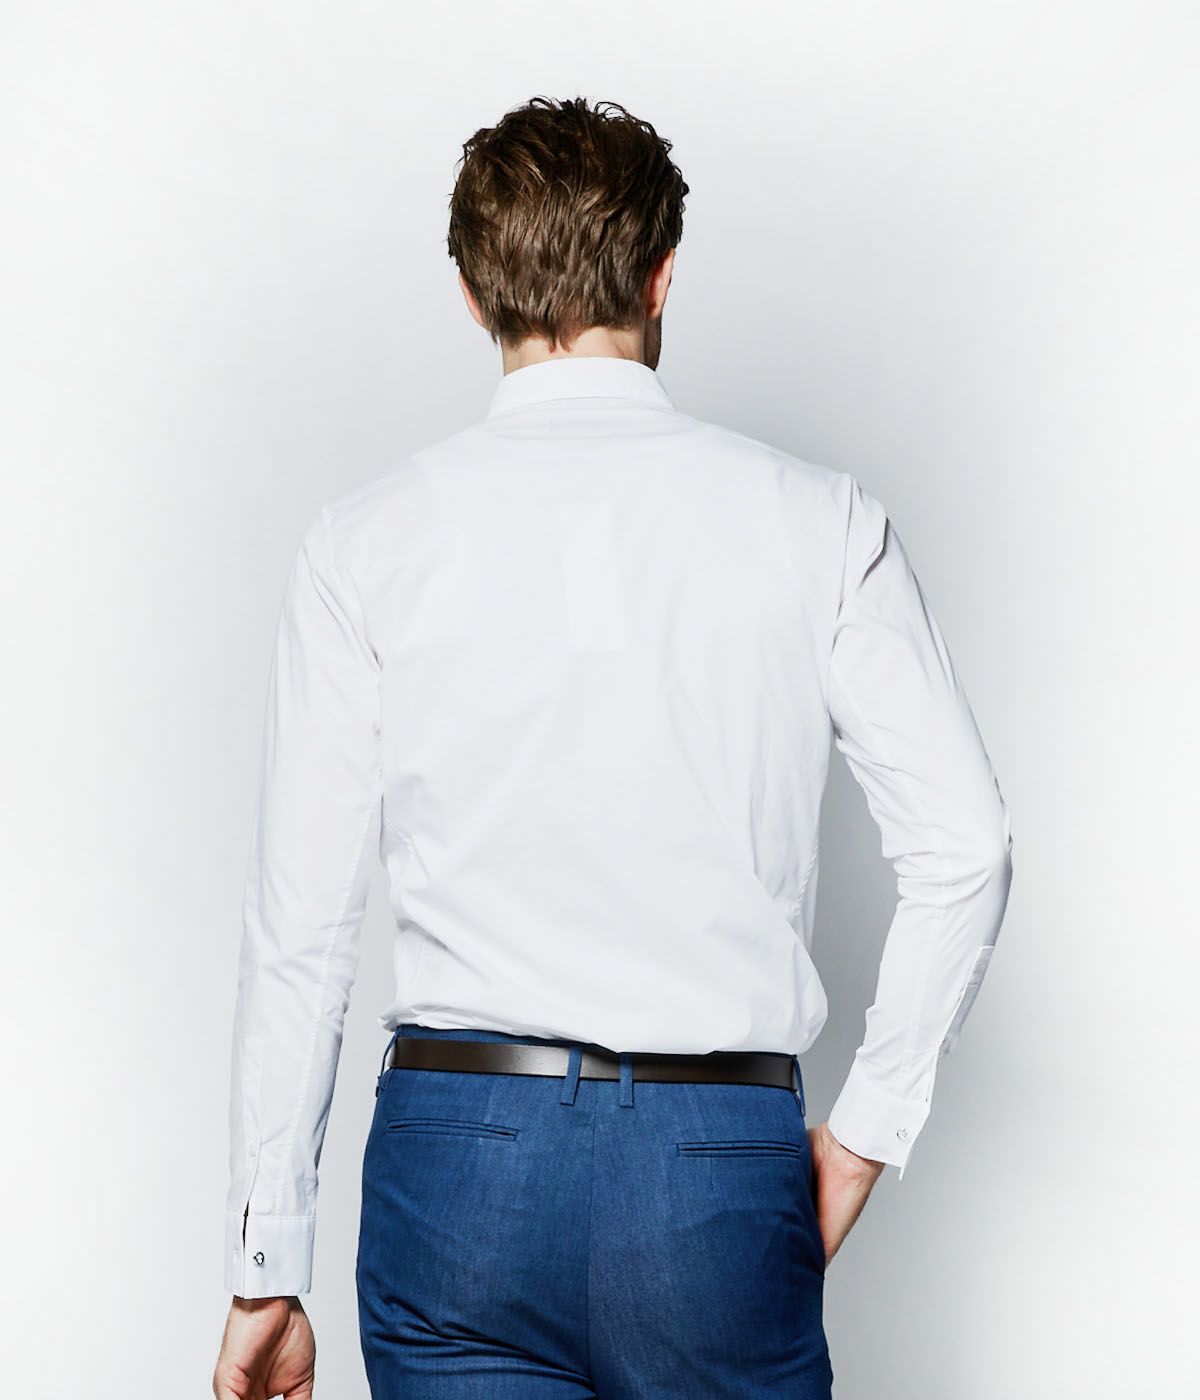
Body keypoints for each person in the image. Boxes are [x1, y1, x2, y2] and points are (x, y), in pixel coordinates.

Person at [213, 94, 1013, 1400]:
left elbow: (298, 928)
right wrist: (868, 1131)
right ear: (661, 275)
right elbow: (967, 849)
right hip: (715, 1163)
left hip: (459, 1164)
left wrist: (267, 1262)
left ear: (473, 294)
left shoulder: (364, 545)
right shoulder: (818, 523)